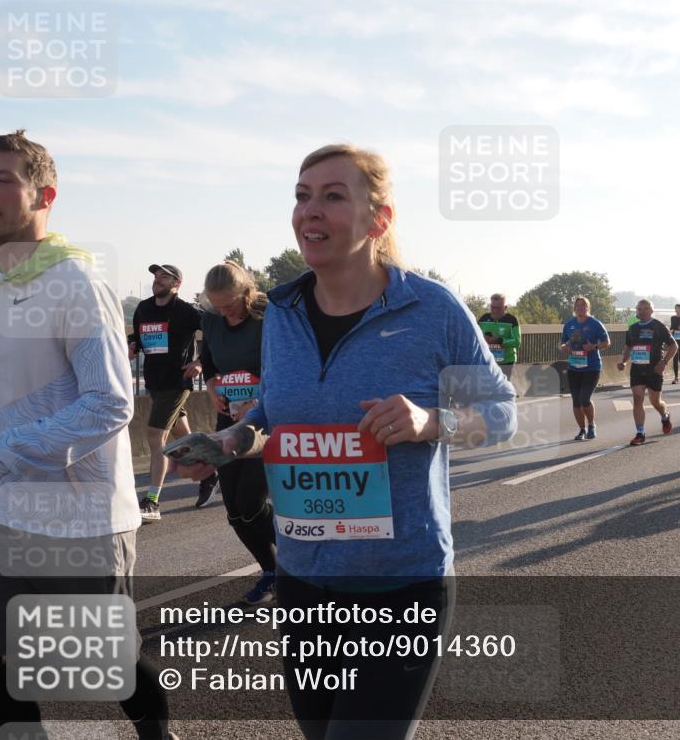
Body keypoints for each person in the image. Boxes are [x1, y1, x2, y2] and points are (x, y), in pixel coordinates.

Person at [178, 143, 517, 739]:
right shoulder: (281, 311)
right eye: (302, 196)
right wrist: (235, 437)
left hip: (401, 588)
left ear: (377, 220)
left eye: (333, 197)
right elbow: (273, 411)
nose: (310, 211)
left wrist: (431, 423)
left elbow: (503, 414)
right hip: (305, 585)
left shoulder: (432, 309)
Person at [0, 130, 176, 740]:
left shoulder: (74, 281)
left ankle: (158, 733)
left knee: (105, 667)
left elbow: (109, 401)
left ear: (44, 194)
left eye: (2, 179)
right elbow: (5, 378)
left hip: (73, 514)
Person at [199, 261, 278, 605]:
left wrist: (257, 401)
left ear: (246, 292)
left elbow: (284, 368)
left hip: (264, 422)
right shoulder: (212, 320)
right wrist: (214, 389)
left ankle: (303, 550)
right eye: (216, 305)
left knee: (250, 500)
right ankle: (272, 571)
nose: (223, 311)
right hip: (228, 421)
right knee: (234, 510)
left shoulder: (268, 319)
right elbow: (210, 365)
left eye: (229, 304)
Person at [129, 263, 212, 520]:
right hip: (155, 381)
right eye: (155, 276)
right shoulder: (143, 308)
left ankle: (152, 501)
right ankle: (210, 470)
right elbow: (138, 338)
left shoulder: (187, 310)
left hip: (177, 382)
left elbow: (214, 331)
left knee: (156, 438)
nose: (157, 280)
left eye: (164, 276)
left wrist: (200, 362)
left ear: (177, 284)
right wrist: (132, 345)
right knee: (182, 437)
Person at [618, 299, 675, 445]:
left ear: (651, 311)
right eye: (639, 309)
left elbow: (674, 346)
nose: (642, 311)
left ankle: (664, 415)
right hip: (637, 369)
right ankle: (640, 433)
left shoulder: (658, 326)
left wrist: (663, 362)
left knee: (655, 402)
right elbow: (628, 347)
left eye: (645, 309)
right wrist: (624, 361)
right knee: (637, 399)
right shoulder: (632, 328)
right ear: (636, 311)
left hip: (654, 370)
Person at [561, 296, 611, 440]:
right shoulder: (569, 324)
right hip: (574, 367)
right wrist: (565, 348)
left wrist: (594, 346)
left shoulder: (595, 324)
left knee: (584, 398)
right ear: (574, 308)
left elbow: (607, 342)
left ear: (588, 307)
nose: (580, 308)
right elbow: (563, 343)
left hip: (592, 367)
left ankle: (591, 425)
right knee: (576, 401)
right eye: (578, 306)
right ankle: (582, 430)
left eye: (583, 305)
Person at [477, 293, 521, 379]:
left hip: (506, 362)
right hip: (487, 361)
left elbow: (517, 342)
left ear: (505, 308)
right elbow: (474, 338)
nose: (495, 311)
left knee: (503, 389)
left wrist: (499, 340)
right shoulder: (483, 319)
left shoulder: (512, 320)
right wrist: (484, 340)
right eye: (493, 307)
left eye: (498, 308)